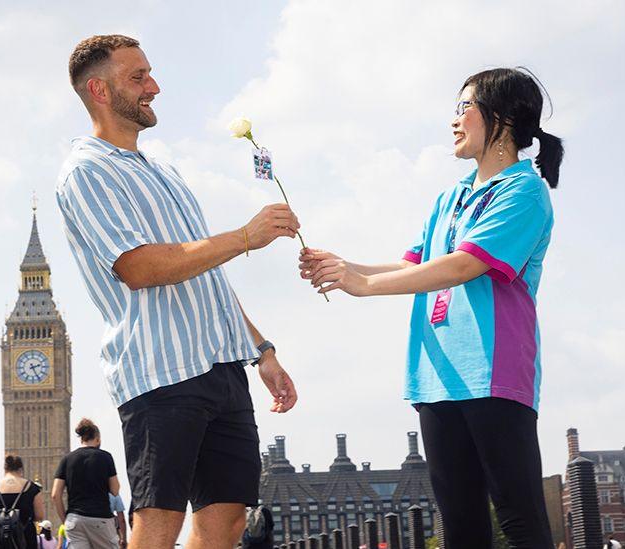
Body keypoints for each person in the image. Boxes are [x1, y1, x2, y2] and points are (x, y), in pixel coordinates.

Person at [299, 67, 564, 548]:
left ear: (501, 117)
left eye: (464, 108)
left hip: (493, 374)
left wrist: (362, 284)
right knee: (460, 525)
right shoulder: (449, 197)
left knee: (519, 517)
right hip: (434, 377)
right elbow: (412, 266)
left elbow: (464, 266)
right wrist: (343, 266)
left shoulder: (524, 191)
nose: (454, 121)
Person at [57, 34, 298, 549]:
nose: (155, 87)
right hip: (160, 370)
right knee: (158, 522)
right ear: (99, 90)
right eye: (138, 78)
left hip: (223, 365)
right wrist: (244, 238)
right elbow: (139, 267)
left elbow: (205, 271)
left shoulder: (165, 174)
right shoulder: (86, 171)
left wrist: (262, 351)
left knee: (229, 516)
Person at [51, 419, 120, 549]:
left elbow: (55, 494)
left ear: (81, 438)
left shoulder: (67, 459)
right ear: (97, 439)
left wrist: (65, 520)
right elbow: (115, 490)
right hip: (100, 519)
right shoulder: (105, 457)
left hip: (75, 520)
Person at [0, 454, 45, 548]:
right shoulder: (32, 488)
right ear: (21, 469)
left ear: (4, 469)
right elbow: (39, 515)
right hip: (25, 537)